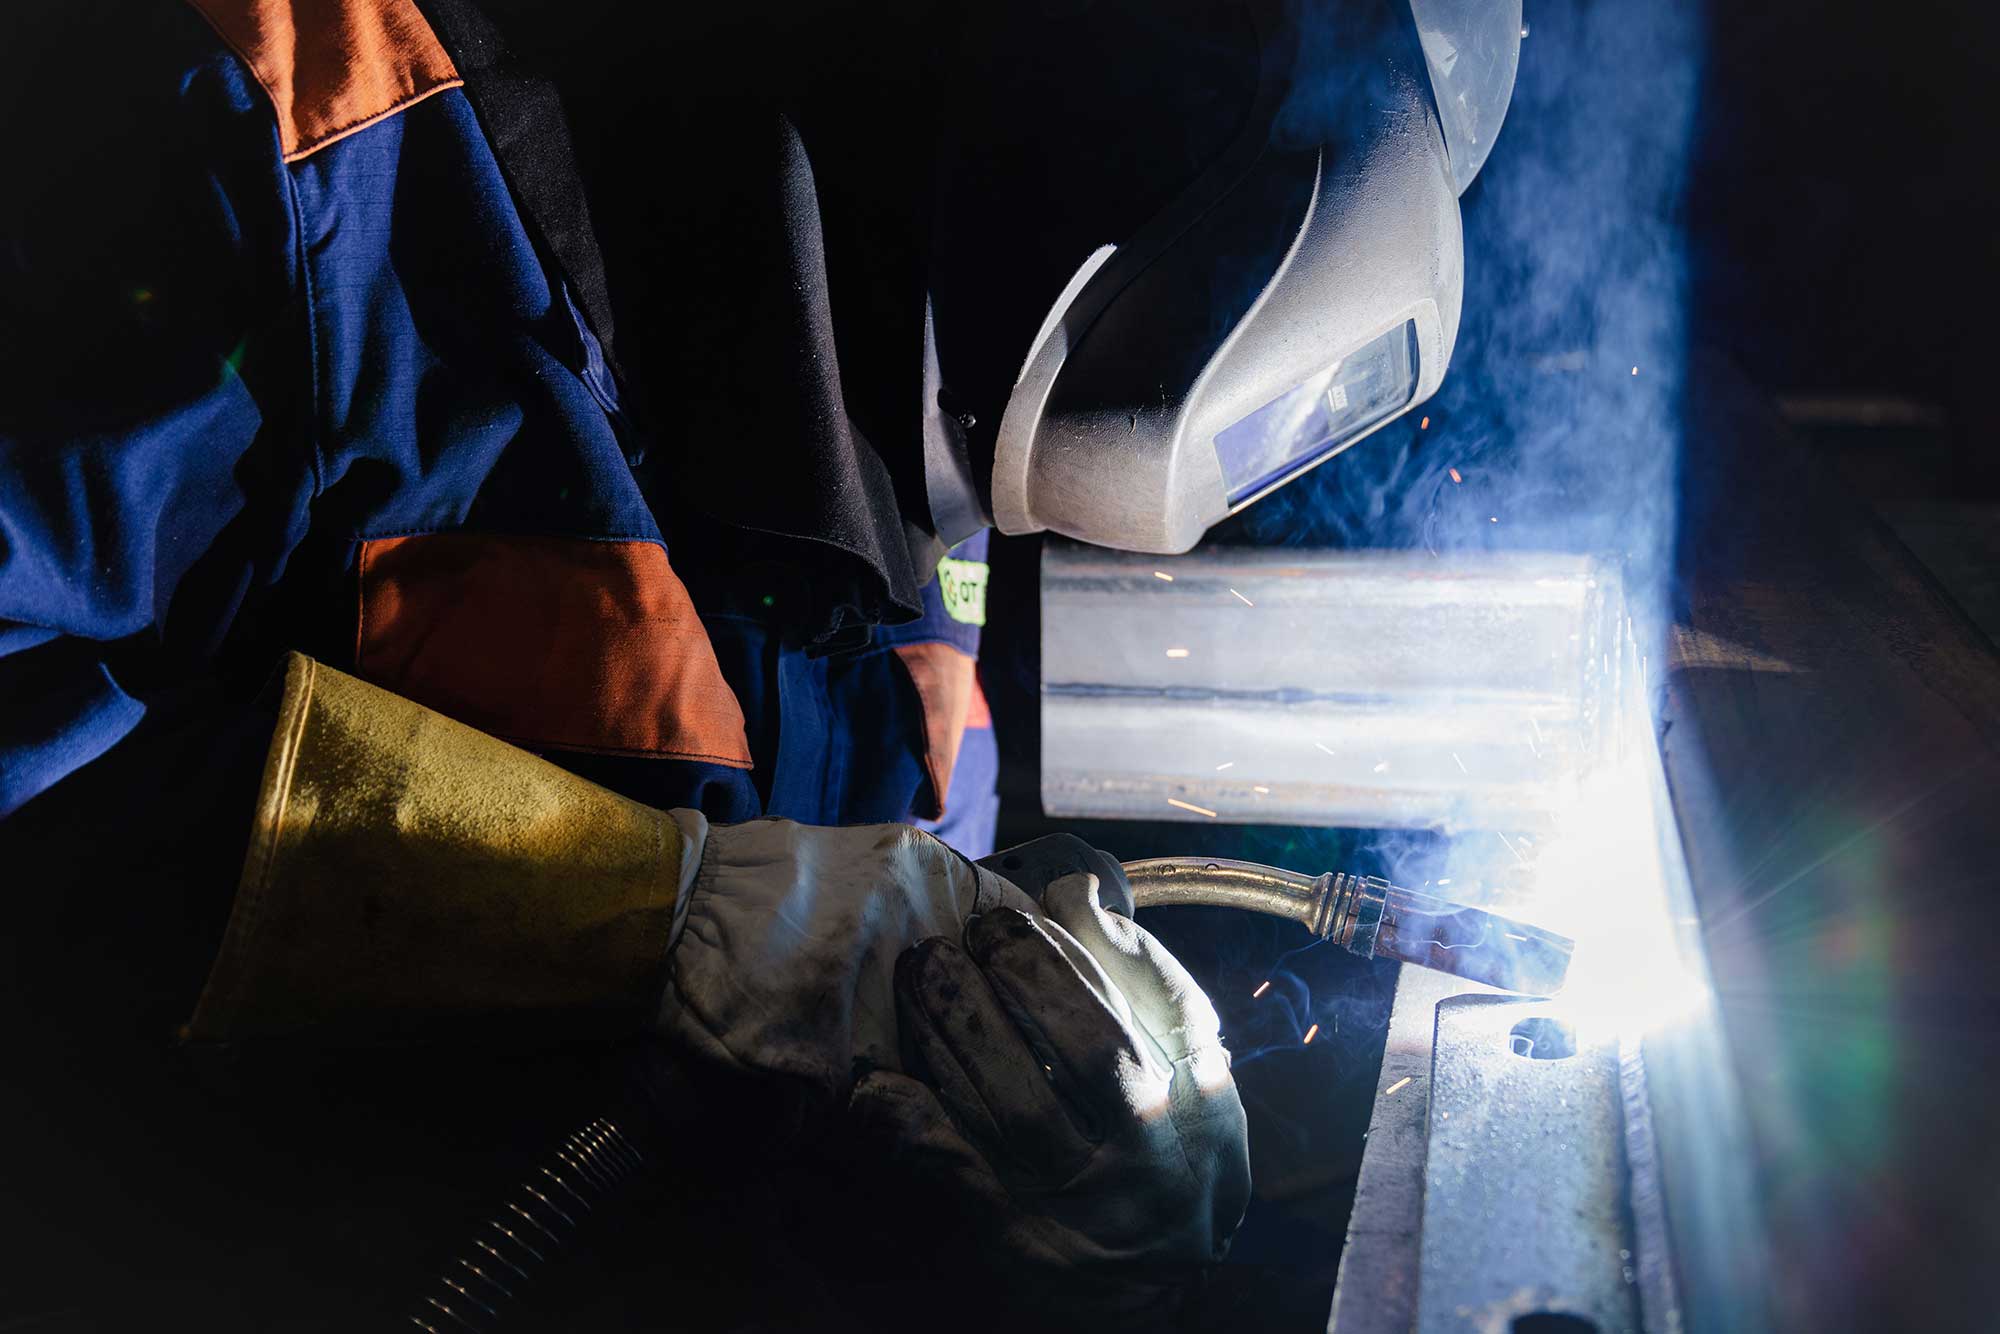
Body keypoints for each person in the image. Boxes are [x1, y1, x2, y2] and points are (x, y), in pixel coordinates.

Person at [0, 0, 1509, 1325]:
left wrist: (1027, 1191)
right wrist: (627, 909)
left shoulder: (910, 514)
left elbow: (788, 1049)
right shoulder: (302, 126)